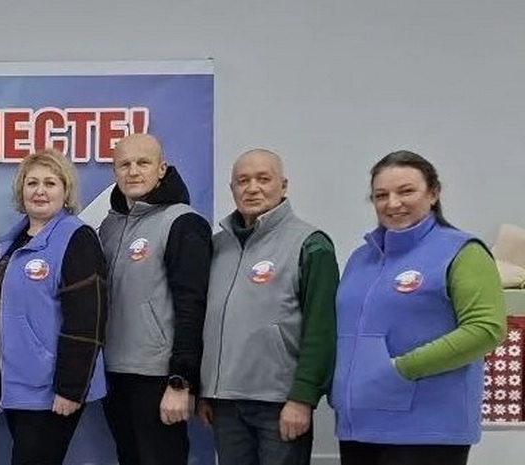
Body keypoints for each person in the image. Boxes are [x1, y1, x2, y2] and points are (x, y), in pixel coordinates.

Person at [332, 150, 506, 465]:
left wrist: (402, 368)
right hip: (359, 426)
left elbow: (486, 329)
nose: (393, 203)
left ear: (433, 193)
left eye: (406, 191)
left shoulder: (462, 251)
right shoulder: (360, 258)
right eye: (381, 195)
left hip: (428, 429)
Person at [197, 149, 338, 465]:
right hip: (225, 404)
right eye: (243, 181)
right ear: (232, 188)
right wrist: (206, 390)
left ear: (283, 185)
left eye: (263, 179)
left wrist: (303, 397)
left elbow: (322, 329)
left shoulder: (311, 244)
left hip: (280, 404)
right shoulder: (218, 246)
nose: (252, 188)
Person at [0, 150, 108, 465]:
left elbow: (87, 320)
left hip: (50, 389)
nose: (40, 191)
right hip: (16, 386)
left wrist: (71, 388)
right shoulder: (12, 242)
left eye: (50, 183)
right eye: (32, 183)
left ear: (66, 191)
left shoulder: (76, 238)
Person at [98, 133, 211, 465]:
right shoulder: (109, 226)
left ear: (161, 169)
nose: (133, 171)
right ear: (114, 171)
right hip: (114, 372)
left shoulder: (183, 222)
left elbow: (193, 306)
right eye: (124, 164)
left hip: (159, 377)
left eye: (143, 163)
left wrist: (181, 380)